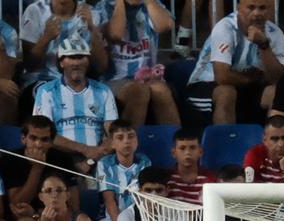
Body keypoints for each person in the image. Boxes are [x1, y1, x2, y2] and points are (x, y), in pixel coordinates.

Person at [184, 0, 284, 125]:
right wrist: (253, 79)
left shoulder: (275, 33)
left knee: (275, 92)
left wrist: (264, 45)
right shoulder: (224, 28)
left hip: (243, 86)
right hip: (204, 85)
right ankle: (225, 142)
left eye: (262, 8)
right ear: (239, 8)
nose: (257, 13)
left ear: (269, 9)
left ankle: (273, 141)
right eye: (251, 7)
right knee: (227, 92)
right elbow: (222, 77)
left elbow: (278, 79)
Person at [32, 37, 118, 169]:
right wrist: (85, 150)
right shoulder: (46, 92)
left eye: (80, 57)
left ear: (88, 61)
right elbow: (44, 134)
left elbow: (113, 134)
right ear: (61, 63)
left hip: (97, 162)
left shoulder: (103, 91)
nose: (76, 63)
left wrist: (90, 161)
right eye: (71, 57)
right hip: (59, 161)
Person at [100, 0, 180, 127]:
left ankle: (175, 143)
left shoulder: (152, 5)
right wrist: (120, 2)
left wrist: (149, 2)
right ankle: (129, 144)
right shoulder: (104, 7)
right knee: (139, 91)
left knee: (161, 89)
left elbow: (165, 25)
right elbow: (115, 34)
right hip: (114, 80)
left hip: (148, 77)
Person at [20, 0, 110, 87]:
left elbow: (101, 68)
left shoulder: (92, 14)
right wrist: (45, 38)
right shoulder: (36, 10)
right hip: (43, 81)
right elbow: (29, 65)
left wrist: (92, 29)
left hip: (81, 82)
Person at [97, 119, 151, 221]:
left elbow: (147, 196)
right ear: (112, 143)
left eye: (131, 136)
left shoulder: (145, 162)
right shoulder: (104, 164)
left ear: (137, 140)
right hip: (111, 218)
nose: (127, 141)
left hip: (139, 217)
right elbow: (109, 200)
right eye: (120, 137)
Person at [244, 115, 284, 184]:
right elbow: (250, 188)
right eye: (275, 139)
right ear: (265, 140)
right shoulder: (255, 154)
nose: (281, 144)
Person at [166, 128, 216, 204]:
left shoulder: (210, 179)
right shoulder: (167, 179)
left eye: (192, 148)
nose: (187, 152)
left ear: (200, 152)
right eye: (182, 148)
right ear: (174, 153)